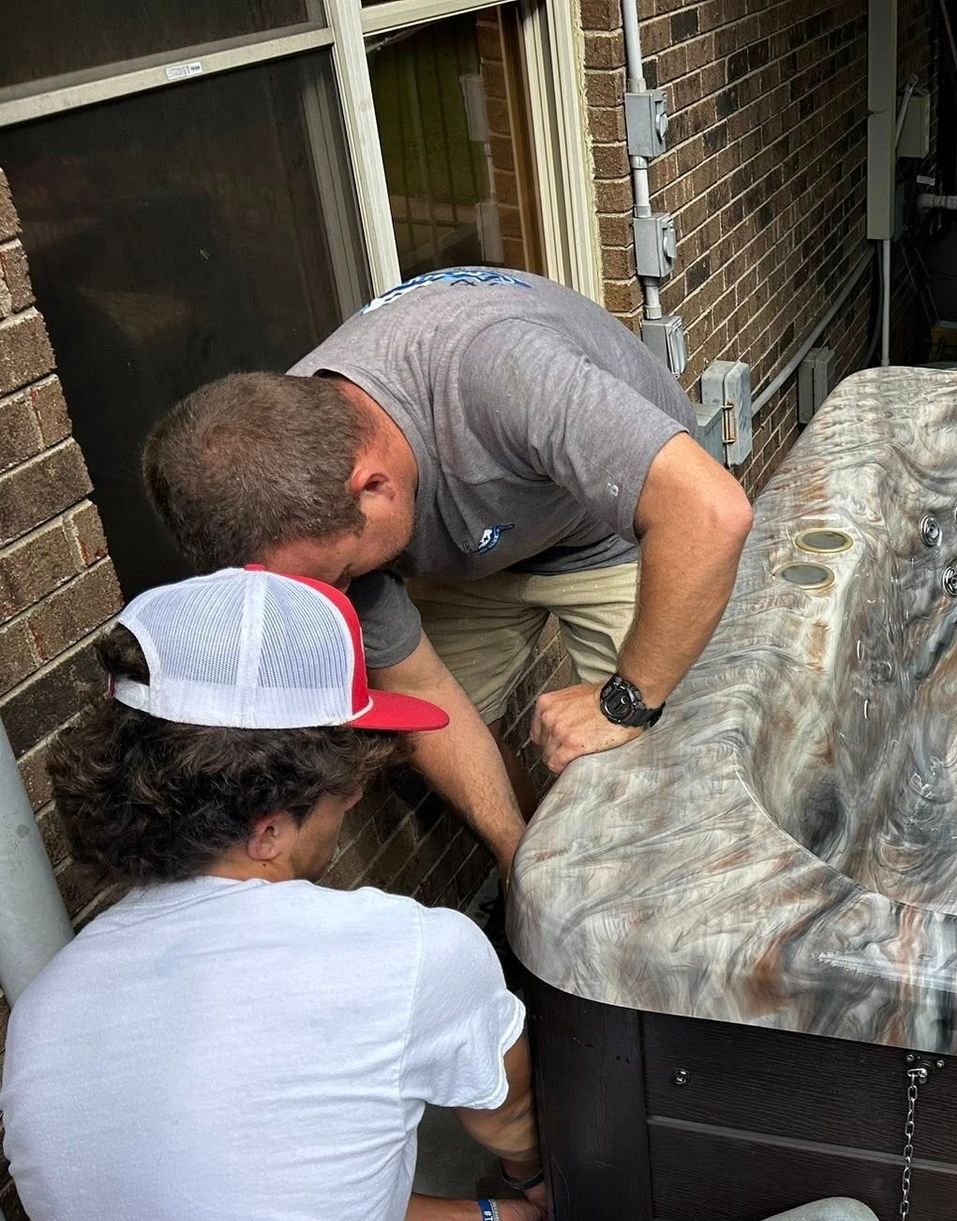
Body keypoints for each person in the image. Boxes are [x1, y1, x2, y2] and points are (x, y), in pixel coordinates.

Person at [0, 567, 894, 1221]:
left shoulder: (44, 1019)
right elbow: (521, 1129)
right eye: (339, 778)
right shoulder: (397, 954)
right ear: (267, 826)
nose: (356, 791)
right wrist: (551, 1183)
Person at [140, 267, 757, 878]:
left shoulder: (500, 369)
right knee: (461, 718)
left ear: (373, 488)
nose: (339, 598)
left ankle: (661, 896)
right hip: (471, 545)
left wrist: (625, 702)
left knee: (648, 756)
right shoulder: (285, 479)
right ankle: (549, 869)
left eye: (345, 576)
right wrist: (517, 859)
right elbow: (426, 691)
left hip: (610, 530)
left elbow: (711, 514)